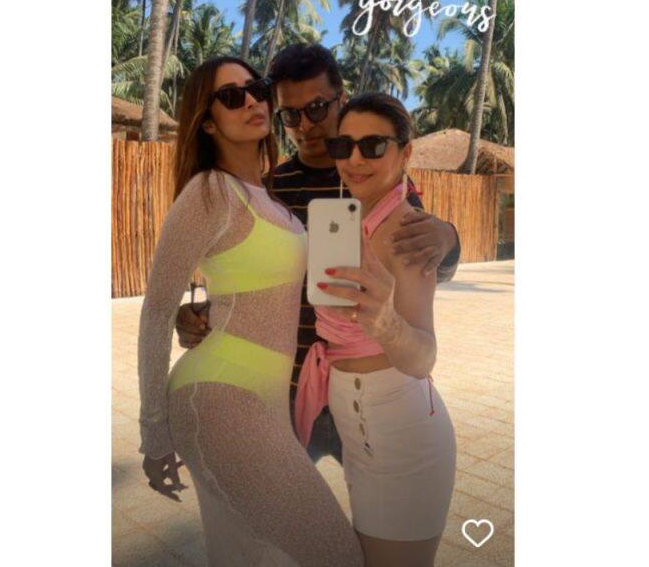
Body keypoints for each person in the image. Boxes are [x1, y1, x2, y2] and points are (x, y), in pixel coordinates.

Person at [176, 43, 461, 466]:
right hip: (288, 389)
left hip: (367, 387)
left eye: (317, 108)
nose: (305, 125)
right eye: (290, 115)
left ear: (341, 99)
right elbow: (251, 282)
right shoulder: (269, 189)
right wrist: (201, 315)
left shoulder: (376, 180)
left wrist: (448, 240)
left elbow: (424, 270)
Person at [137, 56, 363, 567]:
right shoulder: (209, 191)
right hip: (221, 397)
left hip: (268, 399)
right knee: (337, 555)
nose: (253, 101)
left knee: (248, 555)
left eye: (257, 88)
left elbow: (255, 285)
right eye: (231, 96)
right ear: (207, 122)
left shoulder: (267, 195)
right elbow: (156, 312)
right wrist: (154, 435)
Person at [296, 93, 456, 567]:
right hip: (360, 430)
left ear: (405, 153)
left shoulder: (409, 232)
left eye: (373, 145)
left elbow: (423, 358)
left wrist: (385, 322)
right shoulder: (347, 220)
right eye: (343, 146)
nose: (355, 159)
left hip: (400, 435)